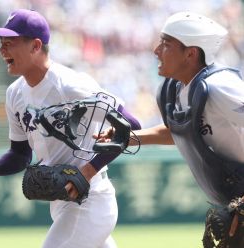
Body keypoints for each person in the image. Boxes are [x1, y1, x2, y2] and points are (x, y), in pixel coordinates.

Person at [0, 9, 141, 248]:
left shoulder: (71, 86)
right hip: (62, 202)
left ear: (35, 46)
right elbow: (21, 155)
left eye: (9, 43)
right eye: (1, 43)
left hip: (90, 200)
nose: (2, 50)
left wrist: (88, 170)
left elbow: (131, 126)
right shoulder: (15, 94)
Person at [96, 11, 244, 248]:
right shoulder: (177, 89)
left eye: (166, 44)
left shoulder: (219, 86)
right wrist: (128, 137)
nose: (156, 50)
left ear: (191, 53)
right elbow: (178, 132)